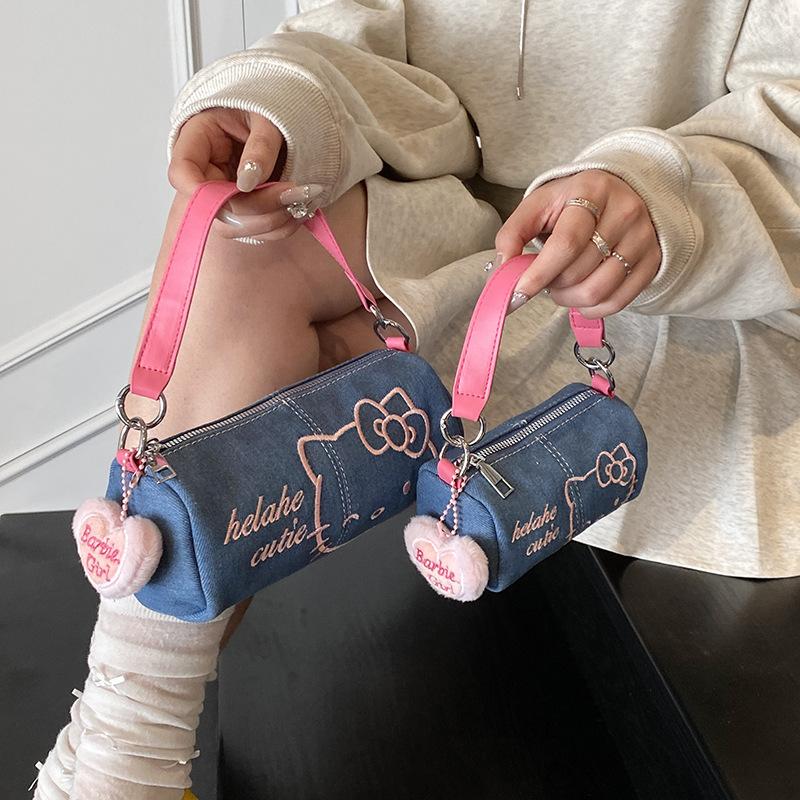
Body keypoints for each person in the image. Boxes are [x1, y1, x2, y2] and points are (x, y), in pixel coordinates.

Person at [32, 0, 799, 796]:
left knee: (268, 355)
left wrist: (658, 197)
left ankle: (108, 759)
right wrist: (275, 112)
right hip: (470, 247)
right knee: (241, 227)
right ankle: (127, 748)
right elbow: (354, 38)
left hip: (682, 299)